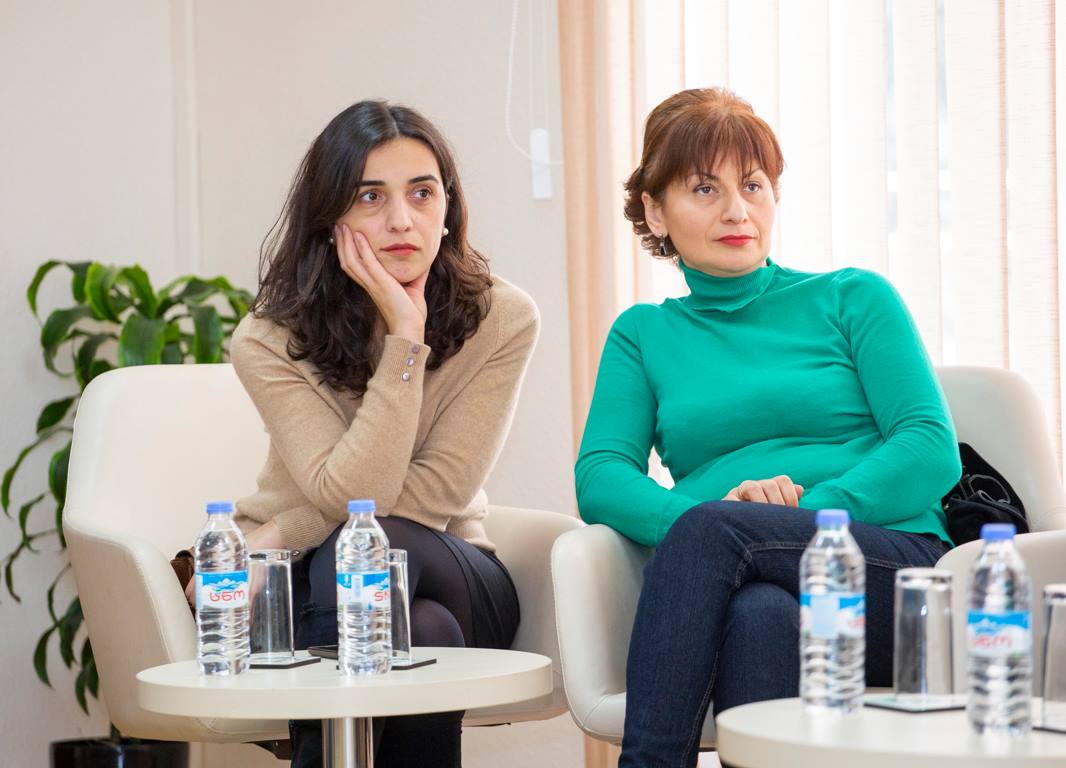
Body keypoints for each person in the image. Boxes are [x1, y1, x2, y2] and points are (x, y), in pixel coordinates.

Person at [574, 88, 961, 768]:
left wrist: (790, 516)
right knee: (759, 616)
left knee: (720, 543)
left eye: (752, 185)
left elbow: (930, 448)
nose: (737, 210)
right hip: (742, 574)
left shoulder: (852, 297)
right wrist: (716, 520)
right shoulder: (643, 334)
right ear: (655, 211)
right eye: (705, 188)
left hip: (888, 576)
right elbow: (601, 476)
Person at [214, 100, 539, 767]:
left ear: (448, 209)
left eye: (422, 193)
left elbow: (438, 492)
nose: (401, 221)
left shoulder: (502, 317)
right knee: (421, 627)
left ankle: (321, 745)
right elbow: (354, 492)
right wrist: (404, 342)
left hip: (456, 568)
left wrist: (280, 531)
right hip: (316, 589)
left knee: (370, 545)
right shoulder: (268, 339)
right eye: (370, 197)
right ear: (328, 218)